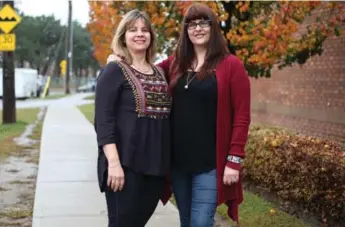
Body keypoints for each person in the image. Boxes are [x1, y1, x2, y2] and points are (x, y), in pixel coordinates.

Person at [108, 3, 251, 226]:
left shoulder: (231, 66)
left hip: (211, 163)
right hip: (178, 163)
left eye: (204, 23)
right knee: (186, 220)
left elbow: (242, 117)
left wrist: (234, 160)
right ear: (185, 30)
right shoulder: (175, 63)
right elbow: (143, 71)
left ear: (214, 28)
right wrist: (117, 59)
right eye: (191, 24)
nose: (198, 28)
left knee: (201, 222)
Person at [94, 9, 172, 227]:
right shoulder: (114, 71)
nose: (140, 34)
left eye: (145, 30)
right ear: (123, 37)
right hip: (124, 166)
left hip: (155, 167)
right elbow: (103, 121)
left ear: (151, 37)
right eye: (133, 30)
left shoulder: (160, 72)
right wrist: (114, 164)